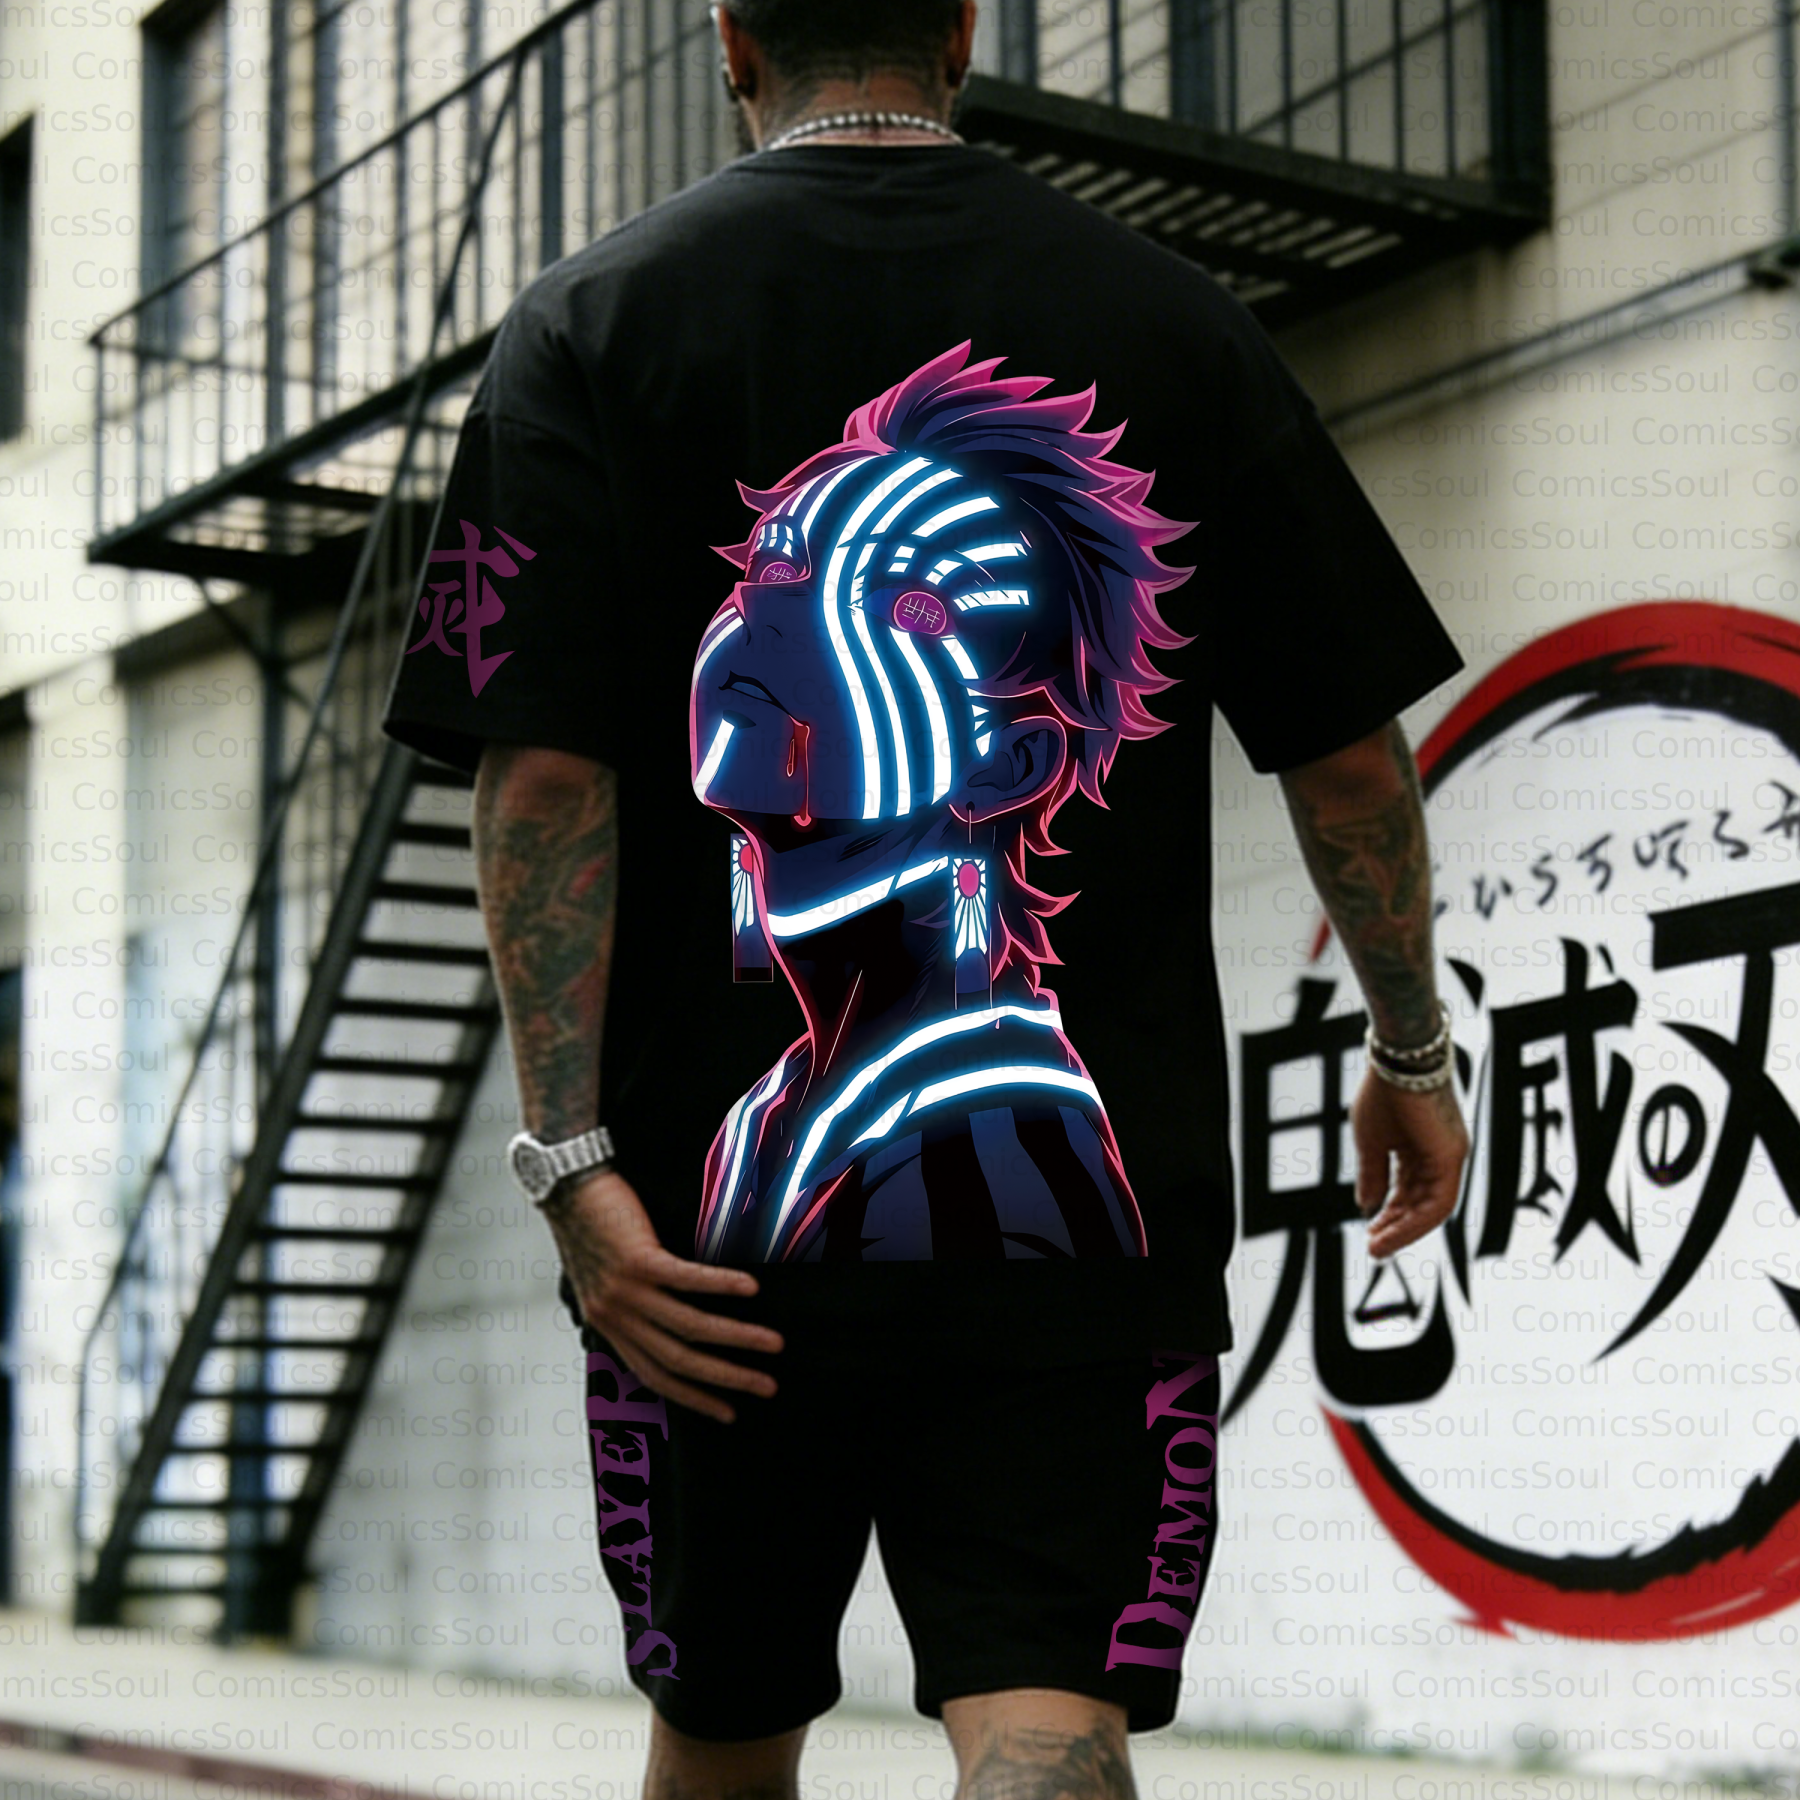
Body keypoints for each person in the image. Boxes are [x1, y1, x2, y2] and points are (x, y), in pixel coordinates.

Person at [380, 2, 1472, 1794]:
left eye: (861, 602)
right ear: (964, 28)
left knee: (719, 1741)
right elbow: (1347, 754)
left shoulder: (594, 320)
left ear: (734, 41)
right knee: (1047, 1724)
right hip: (1078, 1286)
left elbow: (546, 780)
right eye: (773, 572)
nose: (761, 631)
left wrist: (572, 1166)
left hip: (684, 1271)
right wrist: (1412, 1050)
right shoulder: (1169, 319)